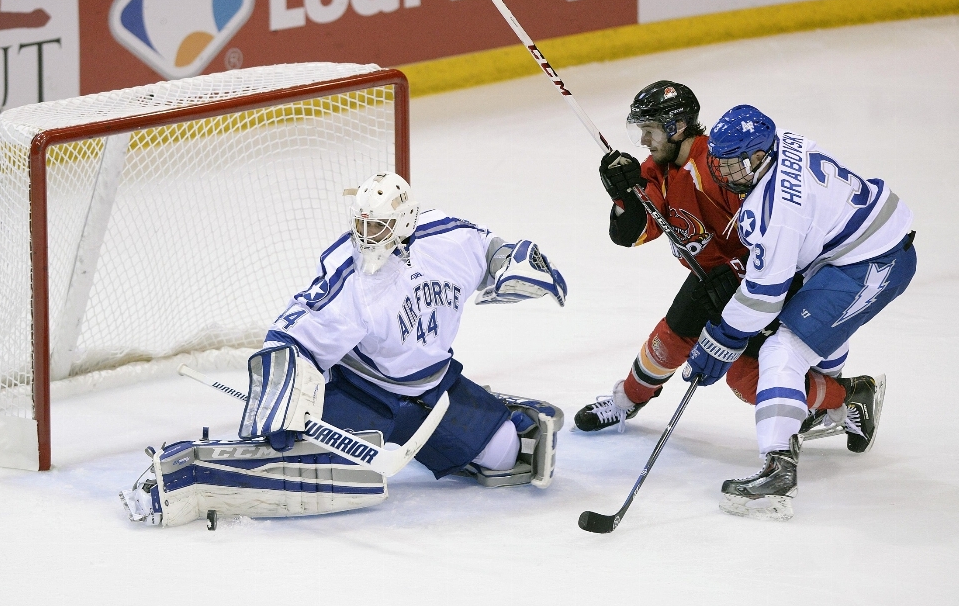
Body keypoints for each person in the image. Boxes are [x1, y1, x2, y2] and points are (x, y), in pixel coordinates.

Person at [120, 172, 567, 527]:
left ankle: (483, 417)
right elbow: (292, 334)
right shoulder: (349, 275)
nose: (367, 235)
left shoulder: (447, 240)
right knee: (290, 456)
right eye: (362, 223)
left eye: (379, 226)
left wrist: (513, 261)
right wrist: (284, 399)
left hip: (435, 390)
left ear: (406, 223)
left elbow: (490, 247)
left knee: (507, 455)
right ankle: (197, 474)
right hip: (361, 393)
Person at [573, 81, 865, 443]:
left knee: (747, 379)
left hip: (767, 282)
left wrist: (735, 272)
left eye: (649, 130)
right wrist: (622, 196)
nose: (644, 141)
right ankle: (626, 399)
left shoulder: (722, 167)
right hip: (713, 276)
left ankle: (849, 398)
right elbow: (633, 234)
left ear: (675, 127)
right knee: (670, 338)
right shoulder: (656, 170)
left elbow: (775, 240)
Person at [683, 105, 916, 520]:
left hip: (874, 261)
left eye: (733, 164)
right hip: (850, 249)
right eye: (718, 161)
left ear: (759, 157)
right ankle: (845, 403)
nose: (722, 173)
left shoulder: (775, 211)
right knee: (808, 324)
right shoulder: (782, 140)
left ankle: (778, 472)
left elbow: (763, 295)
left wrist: (718, 340)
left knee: (781, 352)